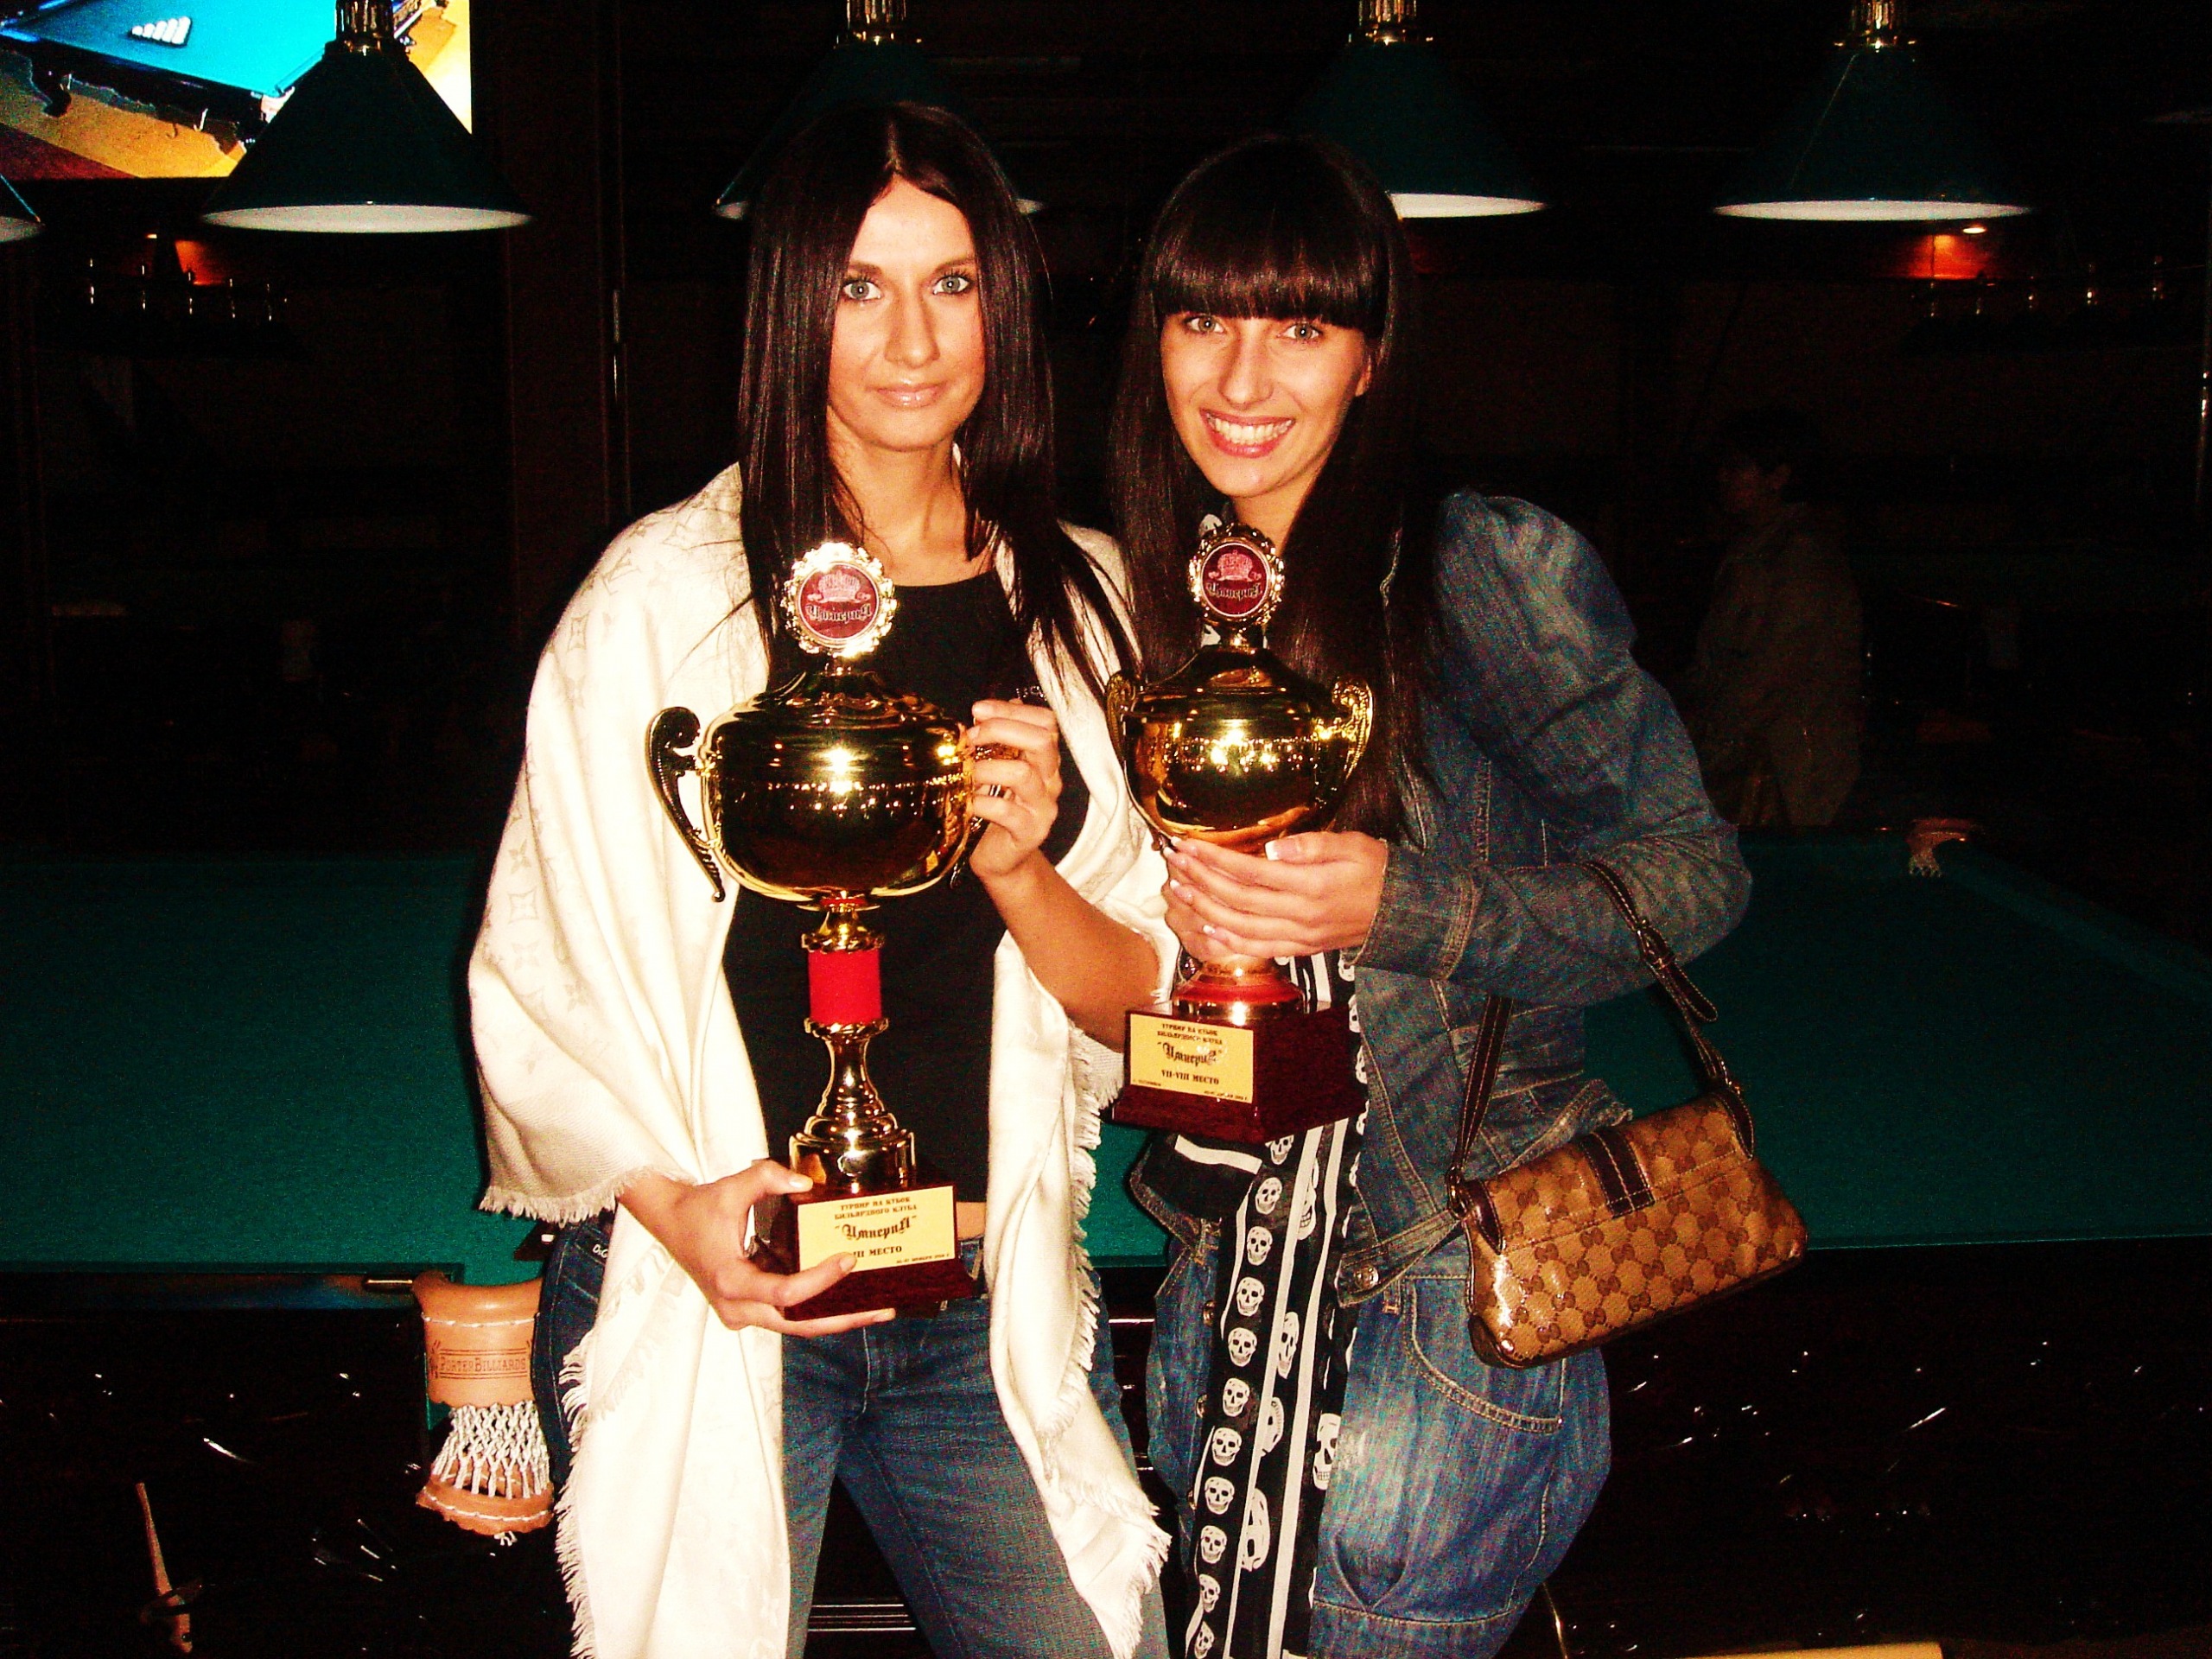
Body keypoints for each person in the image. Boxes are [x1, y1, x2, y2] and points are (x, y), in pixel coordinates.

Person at [469, 103, 1173, 1659]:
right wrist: (674, 1211)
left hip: (981, 1303)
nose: (912, 340)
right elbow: (539, 976)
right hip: (722, 1287)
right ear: (793, 306)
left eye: (952, 283)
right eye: (860, 287)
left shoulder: (1084, 608)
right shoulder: (661, 600)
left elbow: (1143, 1004)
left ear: (1004, 302)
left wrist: (1024, 868)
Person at [1107, 135, 1751, 1659]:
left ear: (1373, 355)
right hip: (1224, 1283)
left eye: (1300, 325)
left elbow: (1698, 874)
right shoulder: (1153, 593)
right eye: (1203, 320)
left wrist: (1409, 906)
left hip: (1444, 1287)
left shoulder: (1479, 569)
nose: (1242, 376)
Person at [1679, 408, 1863, 830]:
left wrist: (1701, 747)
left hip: (1789, 767)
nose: (1723, 478)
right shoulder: (1755, 549)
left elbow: (1771, 674)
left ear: (1777, 477)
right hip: (1758, 758)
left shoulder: (1800, 558)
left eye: (1737, 467)